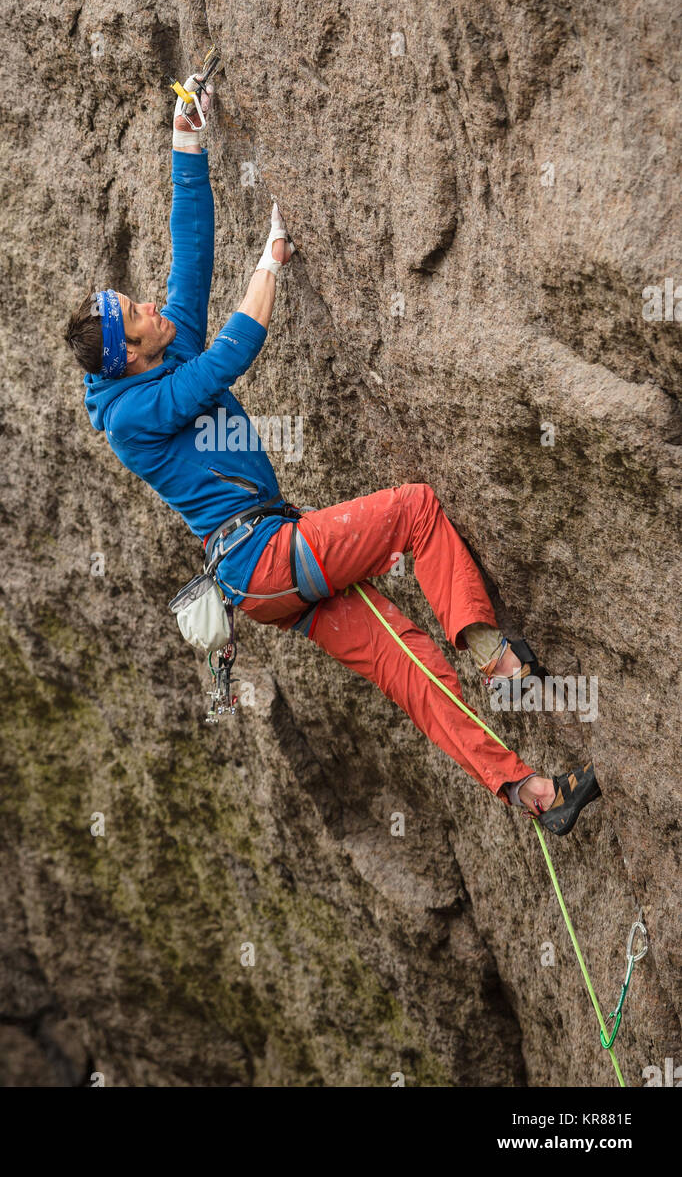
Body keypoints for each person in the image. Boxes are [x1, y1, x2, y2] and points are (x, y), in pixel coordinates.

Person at [65, 68, 601, 836]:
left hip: (265, 575)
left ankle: (532, 793)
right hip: (266, 557)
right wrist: (272, 261)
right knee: (414, 511)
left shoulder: (155, 351)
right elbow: (224, 364)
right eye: (136, 311)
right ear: (132, 352)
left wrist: (188, 134)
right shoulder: (134, 413)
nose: (149, 302)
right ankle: (498, 663)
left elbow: (191, 247)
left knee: (407, 664)